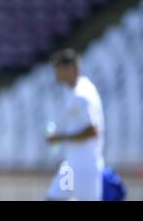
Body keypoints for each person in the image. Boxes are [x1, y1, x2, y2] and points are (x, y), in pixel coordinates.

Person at [45, 48, 104, 200]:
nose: (55, 73)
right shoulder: (76, 88)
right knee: (53, 198)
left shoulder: (82, 95)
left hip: (85, 168)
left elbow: (92, 130)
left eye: (58, 68)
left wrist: (60, 138)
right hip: (72, 165)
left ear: (70, 68)